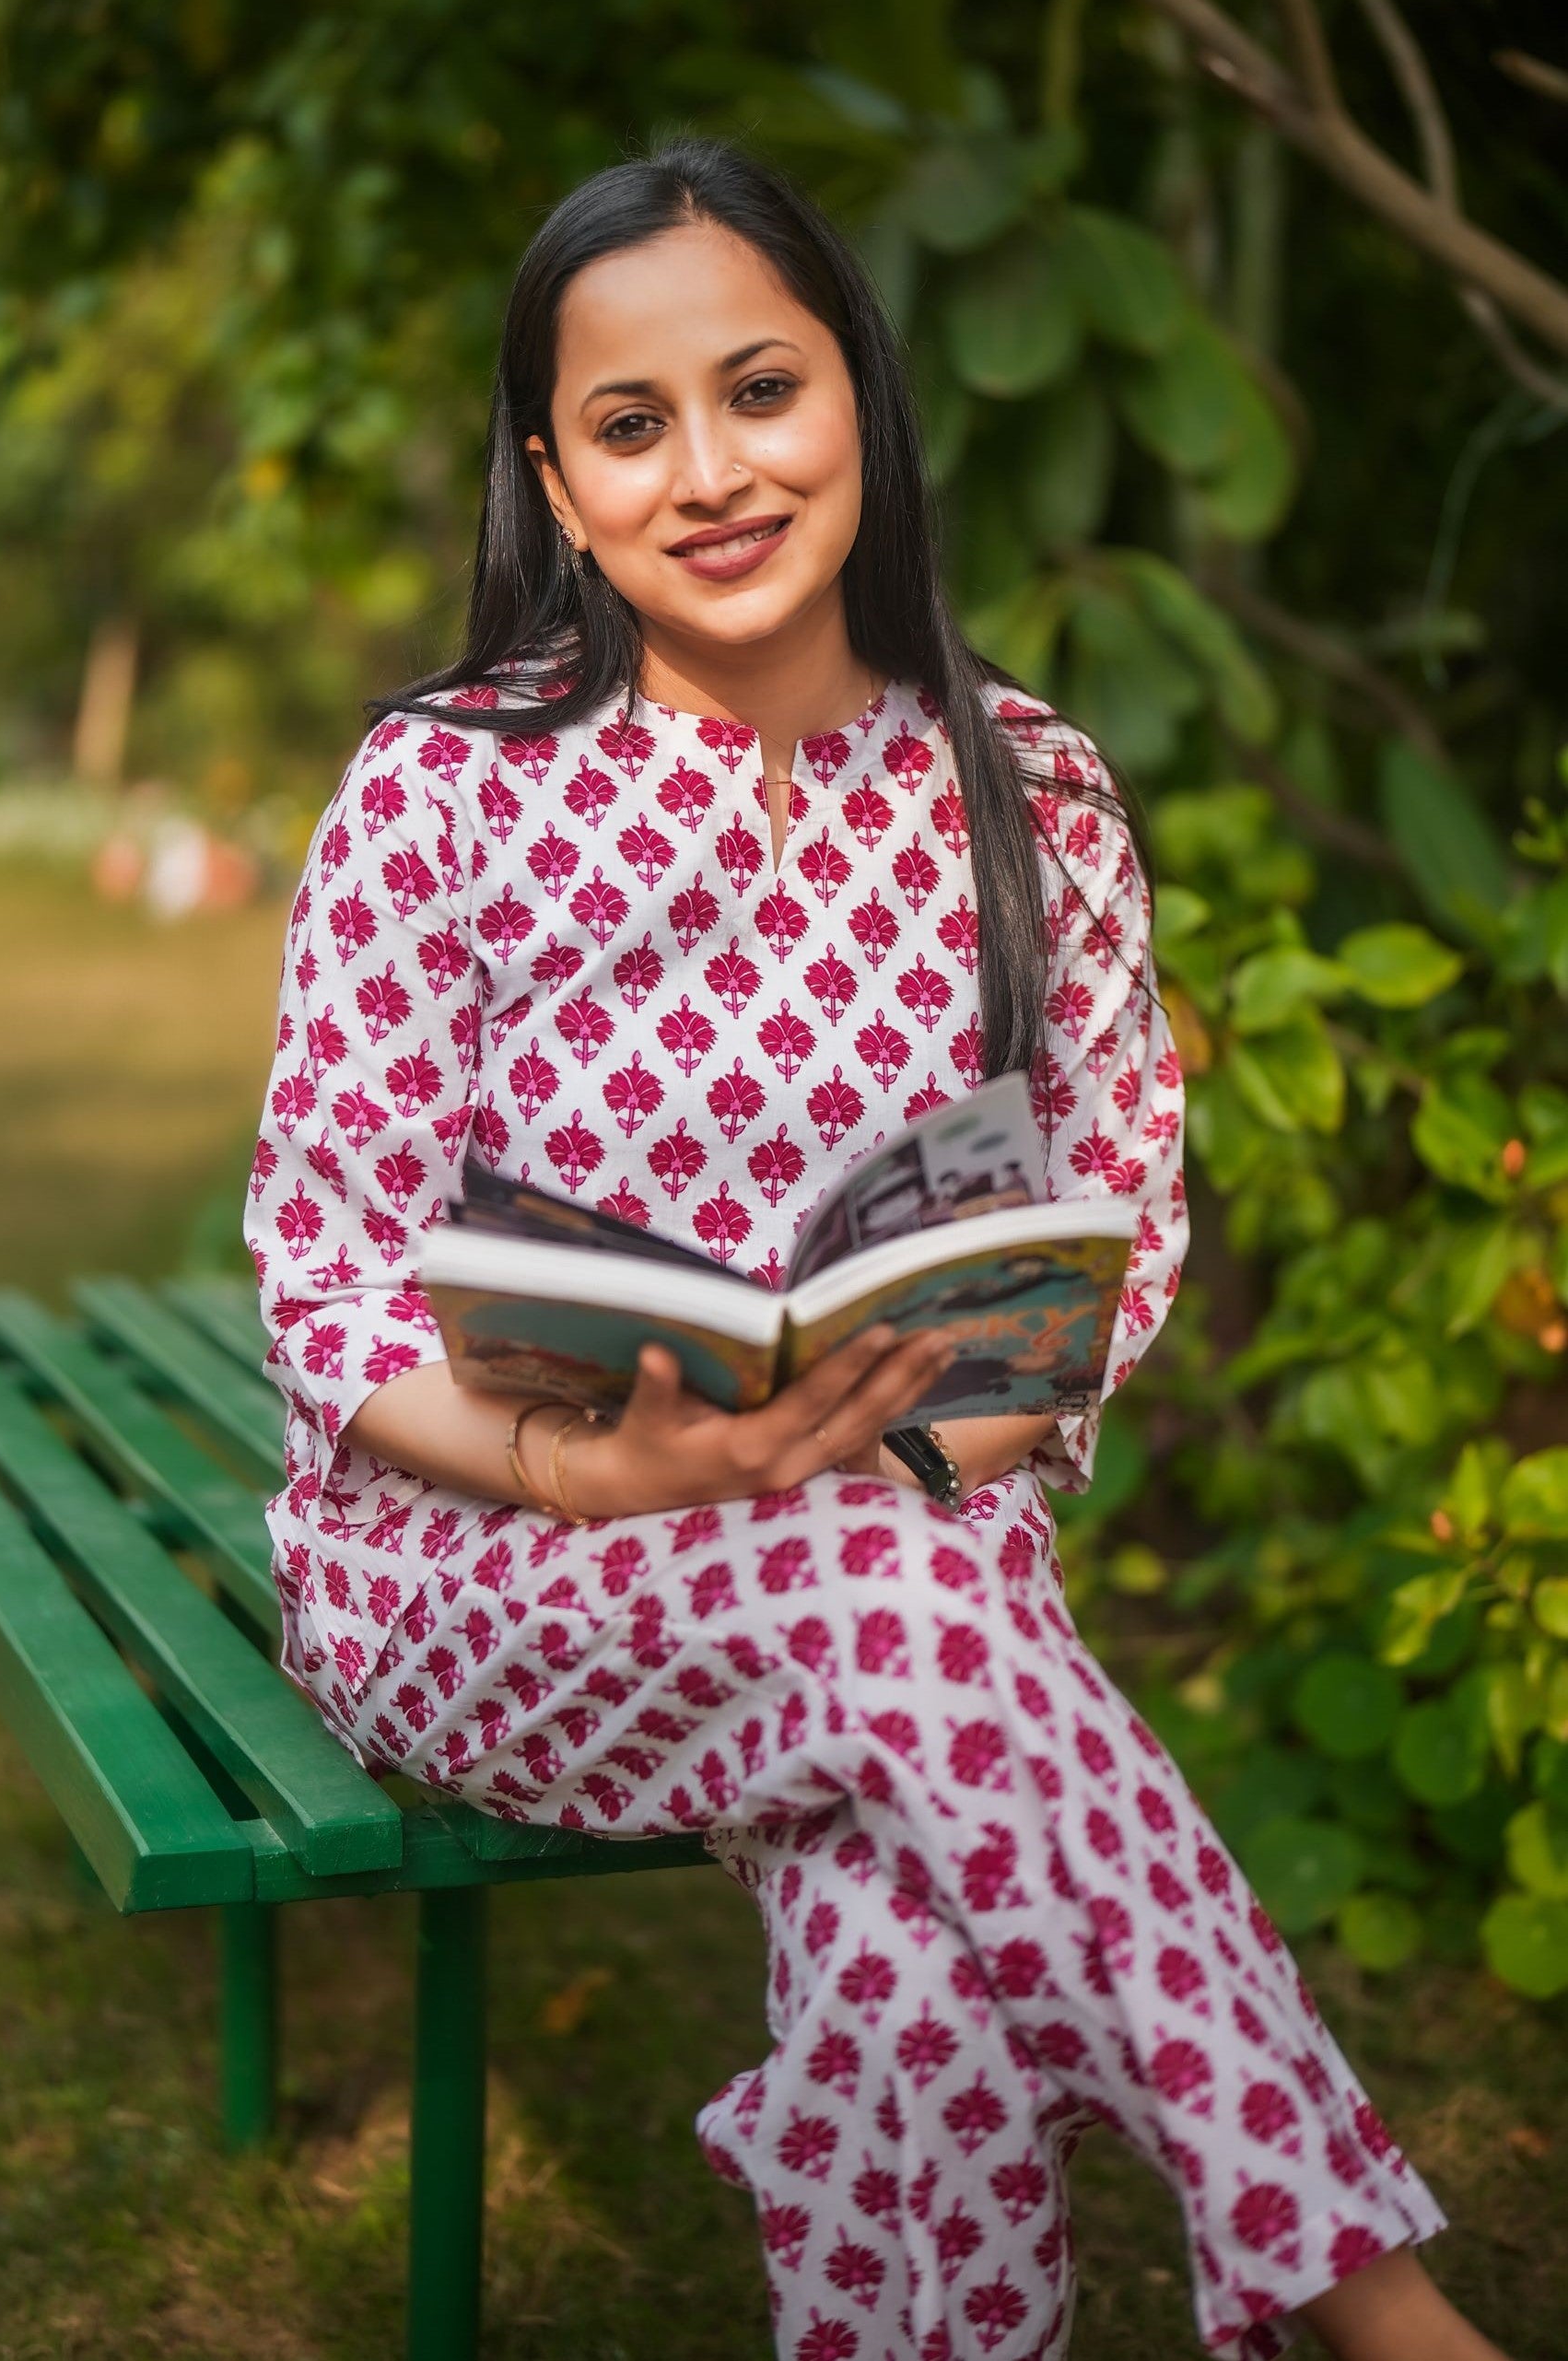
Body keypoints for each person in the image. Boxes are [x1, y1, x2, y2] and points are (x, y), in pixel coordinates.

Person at [244, 135, 1507, 2361]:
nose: (711, 471)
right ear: (550, 472)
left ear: (862, 398)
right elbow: (328, 1282)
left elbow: (1117, 1221)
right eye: (630, 427)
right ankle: (1375, 2307)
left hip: (905, 1569)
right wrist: (584, 1474)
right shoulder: (443, 791)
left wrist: (984, 1406)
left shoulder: (1029, 786)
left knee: (905, 1955)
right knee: (896, 1610)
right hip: (482, 1570)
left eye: (763, 390)